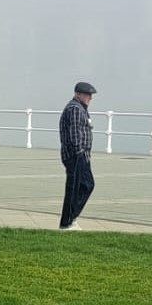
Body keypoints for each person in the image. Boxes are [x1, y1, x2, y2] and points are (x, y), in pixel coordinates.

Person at [58, 81, 97, 231]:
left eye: (90, 95)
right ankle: (67, 222)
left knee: (86, 185)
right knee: (74, 188)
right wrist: (79, 152)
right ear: (78, 94)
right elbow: (75, 134)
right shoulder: (75, 109)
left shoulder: (81, 108)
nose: (90, 98)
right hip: (76, 156)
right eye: (87, 95)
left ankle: (71, 218)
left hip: (81, 155)